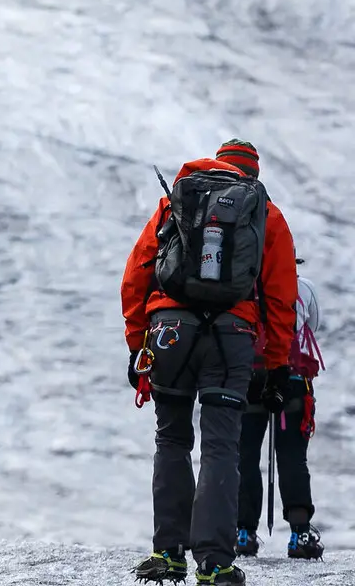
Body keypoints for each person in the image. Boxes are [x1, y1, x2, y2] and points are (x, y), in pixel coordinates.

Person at [123, 140, 298, 584]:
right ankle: (215, 562)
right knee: (221, 444)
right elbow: (280, 298)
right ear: (253, 175)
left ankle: (169, 553)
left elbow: (137, 273)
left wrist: (136, 343)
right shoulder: (266, 213)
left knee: (171, 439)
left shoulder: (176, 200)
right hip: (231, 337)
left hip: (169, 331)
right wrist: (276, 366)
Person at [237, 271, 325, 560]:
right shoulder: (303, 287)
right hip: (292, 379)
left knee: (245, 455)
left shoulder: (245, 281)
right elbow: (313, 324)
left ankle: (243, 531)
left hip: (251, 378)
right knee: (291, 456)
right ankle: (300, 533)